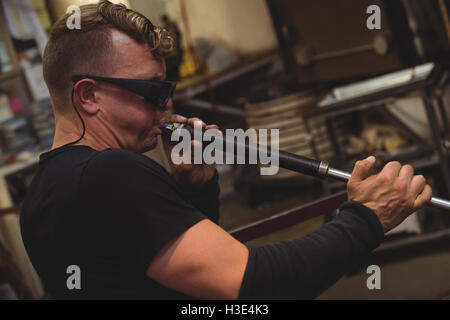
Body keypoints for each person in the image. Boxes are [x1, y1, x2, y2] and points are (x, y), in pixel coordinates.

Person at [20, 0, 432, 299]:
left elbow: (190, 289)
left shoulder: (41, 196)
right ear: (88, 96)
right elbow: (254, 287)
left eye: (168, 90)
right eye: (152, 91)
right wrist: (365, 219)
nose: (167, 107)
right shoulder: (109, 173)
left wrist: (195, 192)